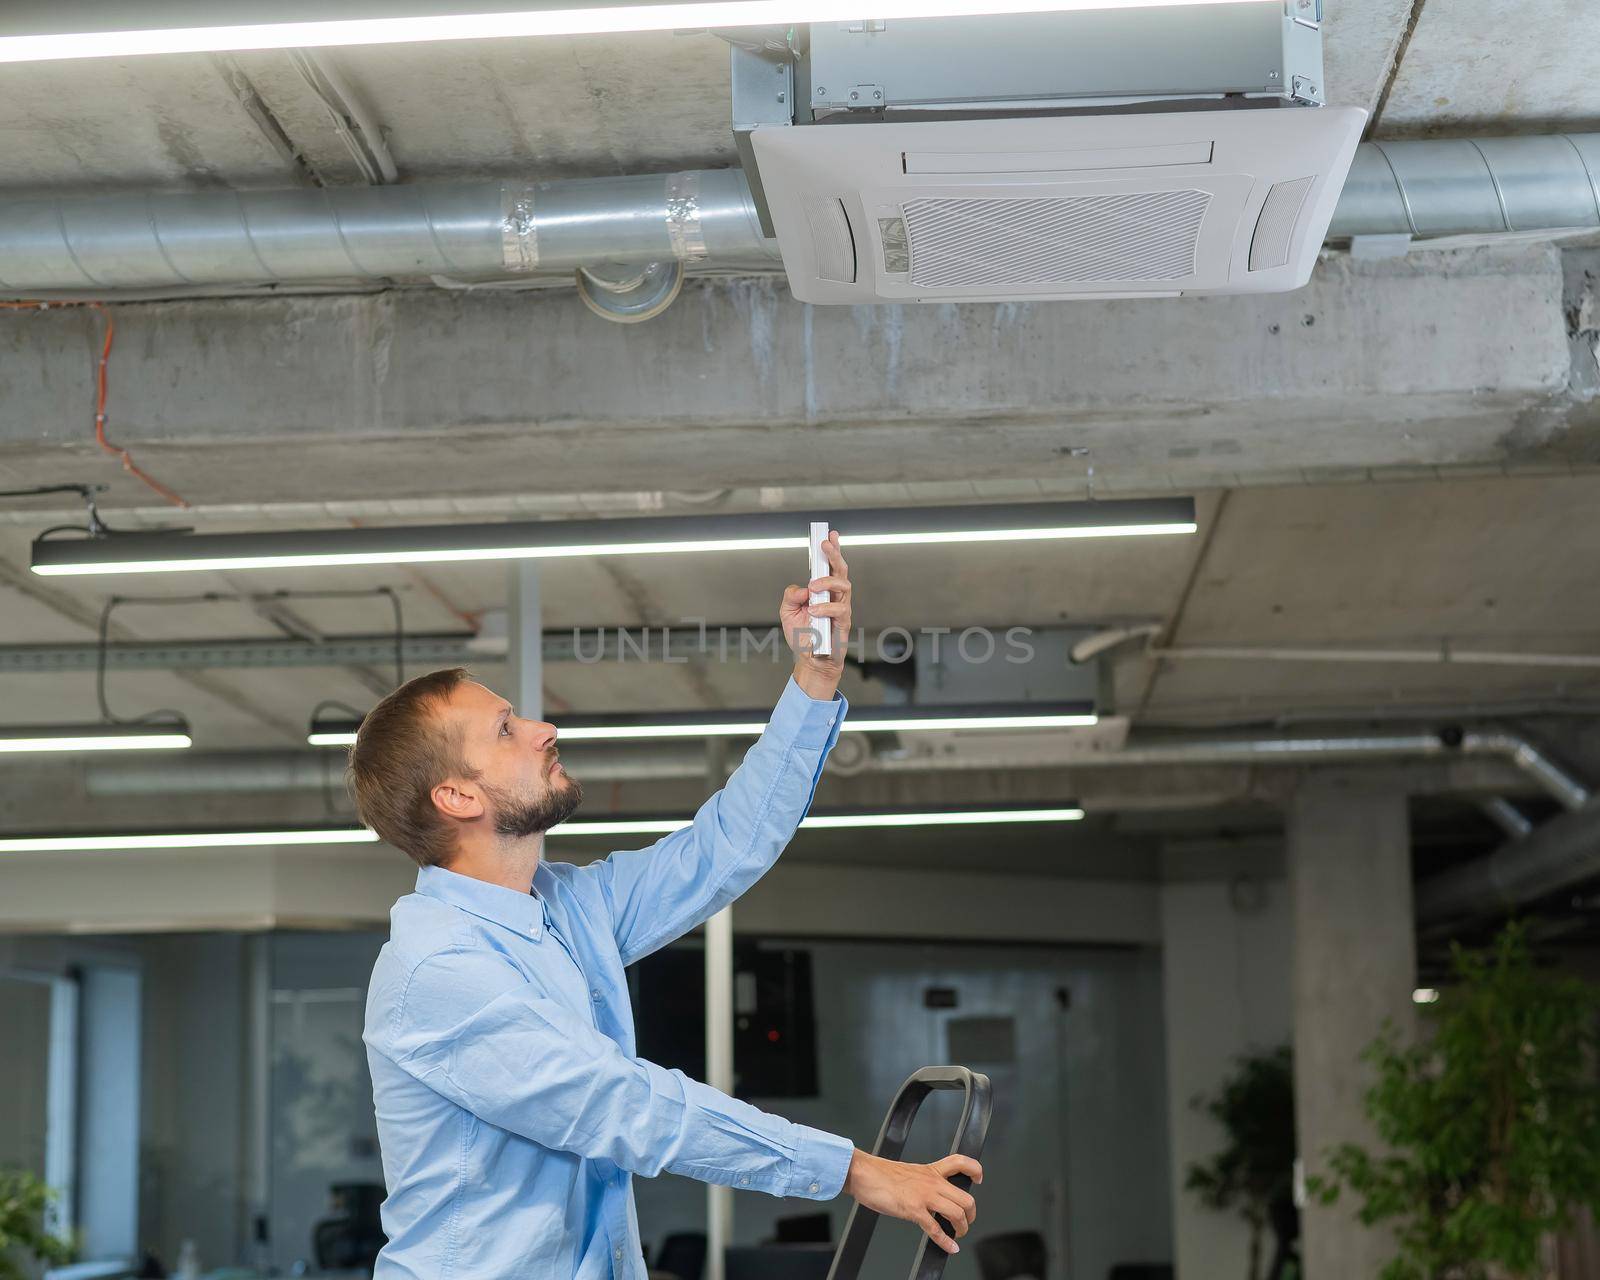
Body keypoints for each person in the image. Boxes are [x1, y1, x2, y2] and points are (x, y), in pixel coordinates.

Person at [352, 531, 981, 1279]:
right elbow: (622, 1105)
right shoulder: (437, 971)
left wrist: (814, 678)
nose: (544, 728)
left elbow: (725, 850)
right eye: (507, 731)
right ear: (457, 795)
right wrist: (851, 1170)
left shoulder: (565, 908)